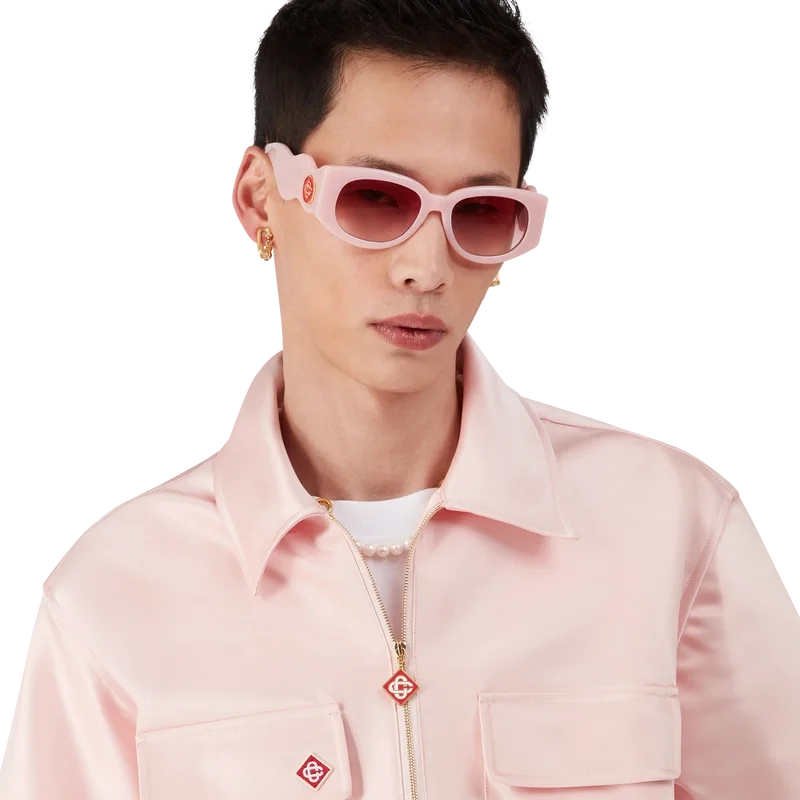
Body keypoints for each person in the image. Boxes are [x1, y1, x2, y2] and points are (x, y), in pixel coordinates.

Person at [4, 1, 798, 798]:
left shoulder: (669, 526)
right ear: (259, 200)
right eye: (376, 199)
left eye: (480, 212)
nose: (427, 267)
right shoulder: (114, 591)